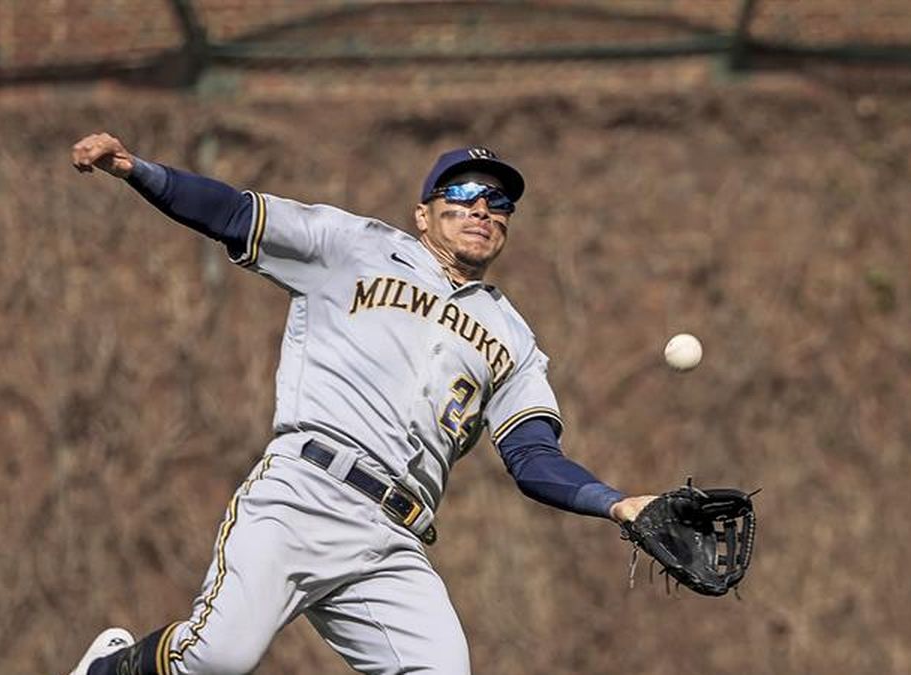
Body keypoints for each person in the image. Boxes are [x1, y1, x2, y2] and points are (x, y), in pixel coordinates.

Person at [66, 134, 656, 675]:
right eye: (462, 194)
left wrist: (617, 503)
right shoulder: (353, 246)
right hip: (306, 492)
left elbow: (533, 457)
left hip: (394, 538)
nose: (482, 209)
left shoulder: (514, 338)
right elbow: (234, 214)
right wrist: (137, 170)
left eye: (498, 202)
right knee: (217, 661)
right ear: (423, 214)